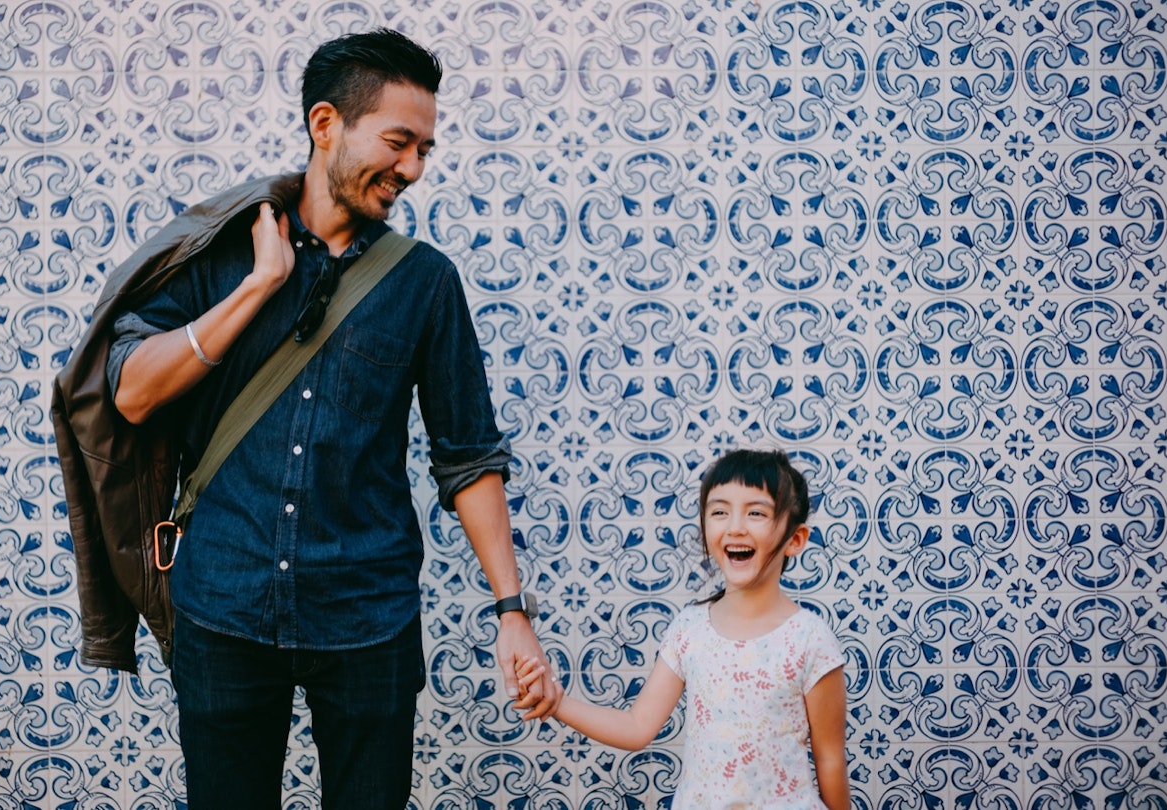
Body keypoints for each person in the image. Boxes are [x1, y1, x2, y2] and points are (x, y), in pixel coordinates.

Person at [105, 28, 559, 808]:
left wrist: (512, 612)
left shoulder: (424, 282)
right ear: (326, 124)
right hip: (223, 605)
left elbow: (469, 456)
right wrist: (257, 287)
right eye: (398, 142)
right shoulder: (218, 252)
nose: (412, 169)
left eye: (424, 149)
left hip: (367, 617)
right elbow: (133, 392)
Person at [518, 448, 849, 809]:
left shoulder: (809, 639)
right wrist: (557, 701)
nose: (735, 526)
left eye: (756, 512)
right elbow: (636, 727)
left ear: (795, 540)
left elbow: (830, 759)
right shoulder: (690, 629)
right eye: (720, 511)